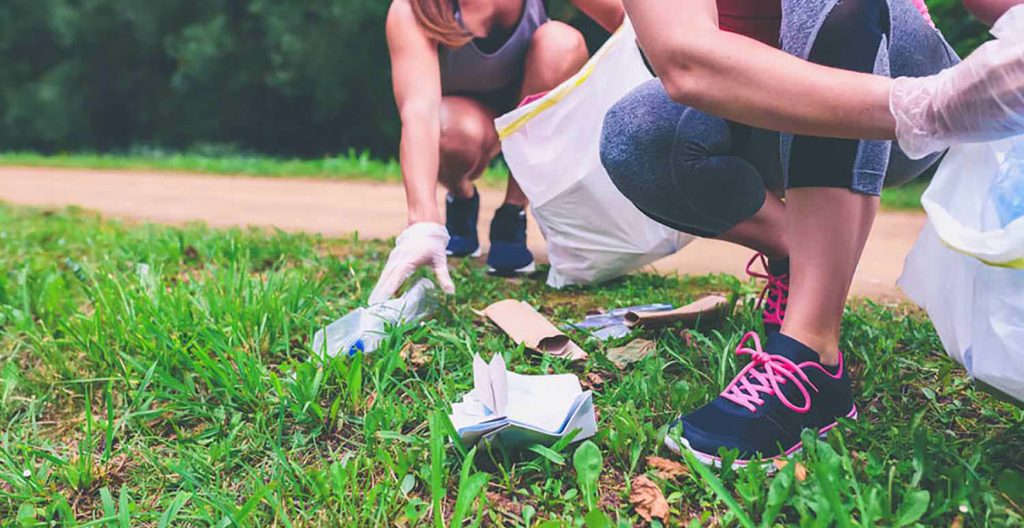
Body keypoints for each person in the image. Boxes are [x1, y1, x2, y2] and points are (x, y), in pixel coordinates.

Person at [600, 0, 1024, 466]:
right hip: (791, 95)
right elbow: (685, 60)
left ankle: (810, 349)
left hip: (894, 60)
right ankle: (798, 254)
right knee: (635, 135)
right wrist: (924, 109)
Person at [370, 0, 624, 304]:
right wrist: (423, 222)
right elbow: (419, 112)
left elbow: (630, 24)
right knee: (450, 135)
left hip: (531, 110)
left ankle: (512, 215)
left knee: (562, 42)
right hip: (464, 121)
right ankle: (461, 197)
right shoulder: (413, 10)